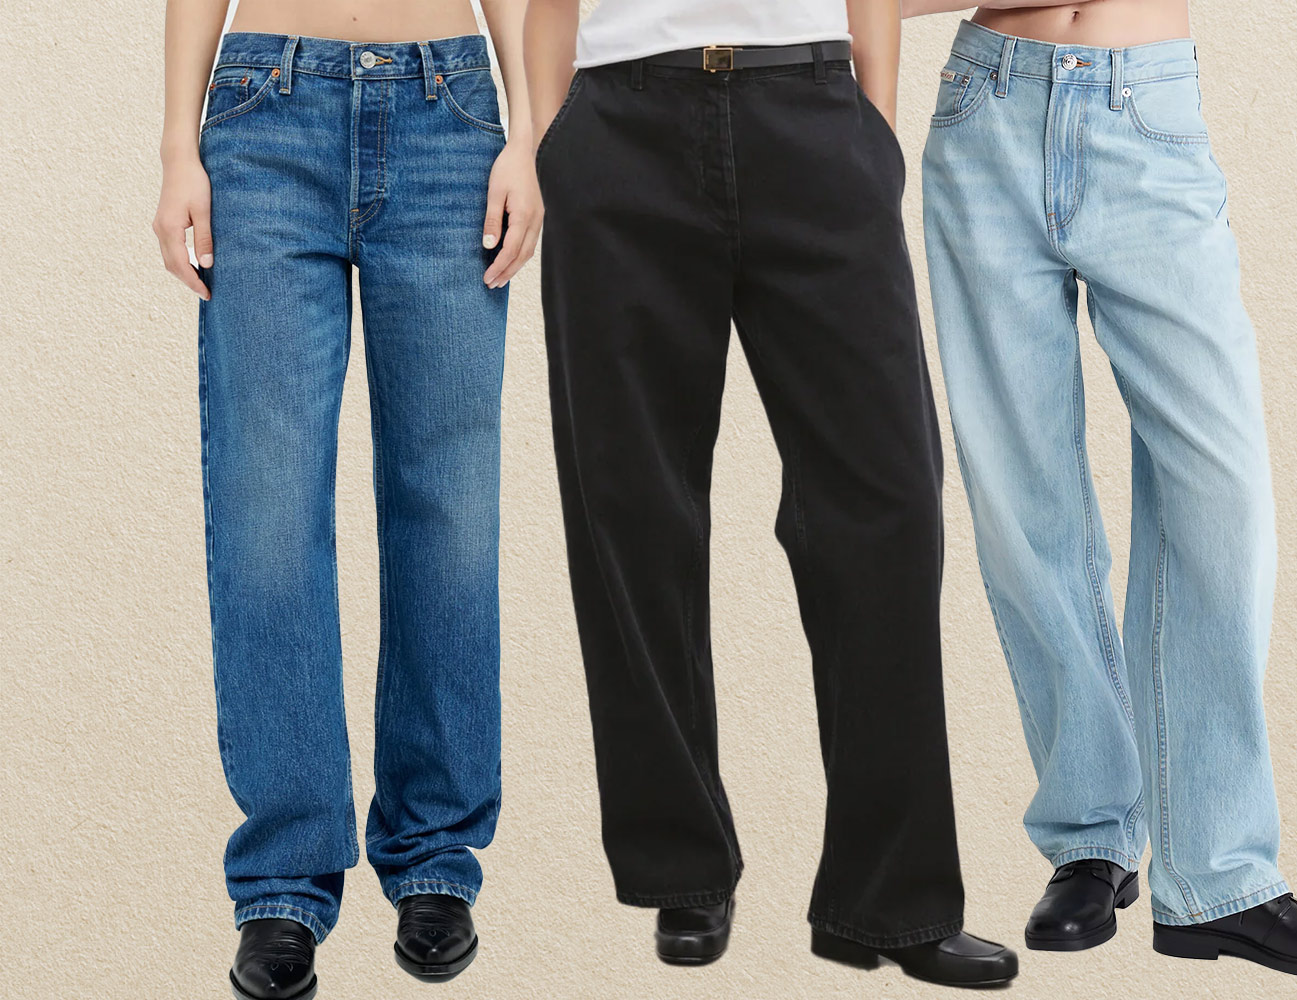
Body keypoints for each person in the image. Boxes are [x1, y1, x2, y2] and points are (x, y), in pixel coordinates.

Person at [524, 0, 1016, 988]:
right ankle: (681, 864)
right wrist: (551, 147)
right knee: (631, 502)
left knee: (890, 500)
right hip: (618, 122)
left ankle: (889, 898)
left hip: (812, 104)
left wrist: (873, 131)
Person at [906, 0, 1297, 977]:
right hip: (984, 113)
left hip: (1146, 111)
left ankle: (1219, 874)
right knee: (1020, 505)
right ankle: (1091, 837)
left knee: (1221, 496)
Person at [152, 1, 539, 995]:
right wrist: (175, 151)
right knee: (268, 510)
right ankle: (283, 880)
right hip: (265, 115)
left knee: (449, 505)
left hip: (446, 112)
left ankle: (436, 856)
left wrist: (530, 131)